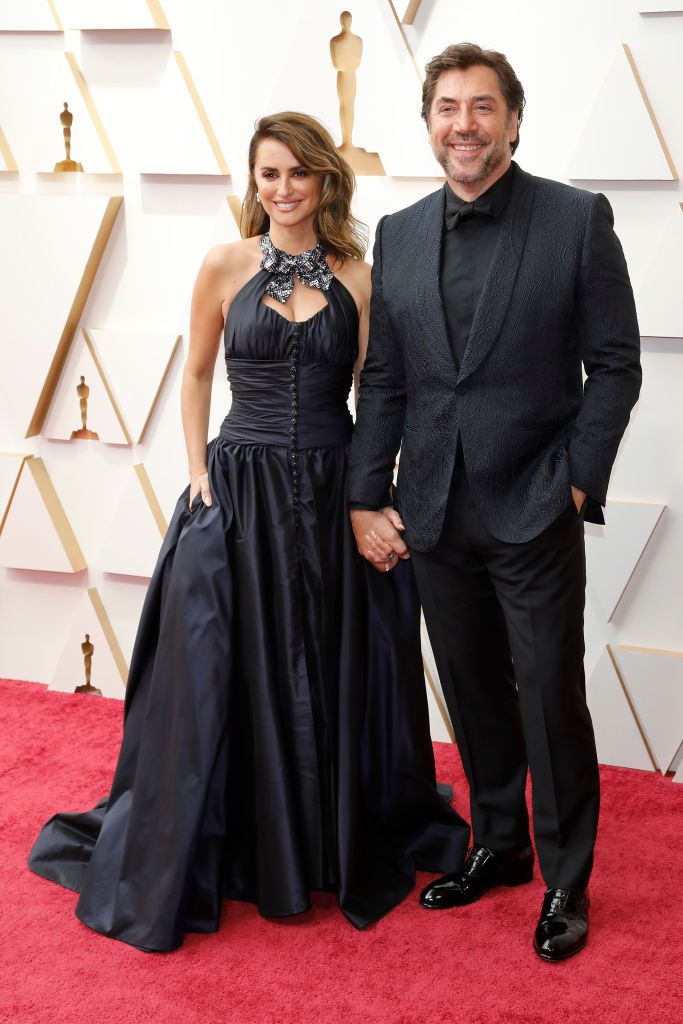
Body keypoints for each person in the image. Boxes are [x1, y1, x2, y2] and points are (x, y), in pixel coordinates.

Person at [28, 111, 469, 952]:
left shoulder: (360, 276)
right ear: (253, 181)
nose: (283, 188)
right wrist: (198, 471)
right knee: (230, 663)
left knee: (330, 659)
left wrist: (374, 494)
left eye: (299, 172)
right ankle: (242, 833)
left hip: (334, 488)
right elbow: (196, 373)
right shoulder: (223, 264)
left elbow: (381, 399)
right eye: (268, 173)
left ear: (324, 180)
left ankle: (322, 836)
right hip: (241, 486)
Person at [348, 43, 641, 962]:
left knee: (549, 693)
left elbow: (616, 365)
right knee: (472, 689)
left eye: (481, 107)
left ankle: (564, 880)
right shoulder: (396, 231)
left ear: (513, 120)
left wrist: (578, 478)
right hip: (431, 506)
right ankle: (499, 846)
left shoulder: (575, 219)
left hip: (533, 501)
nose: (462, 124)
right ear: (428, 122)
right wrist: (366, 496)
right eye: (446, 107)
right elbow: (386, 379)